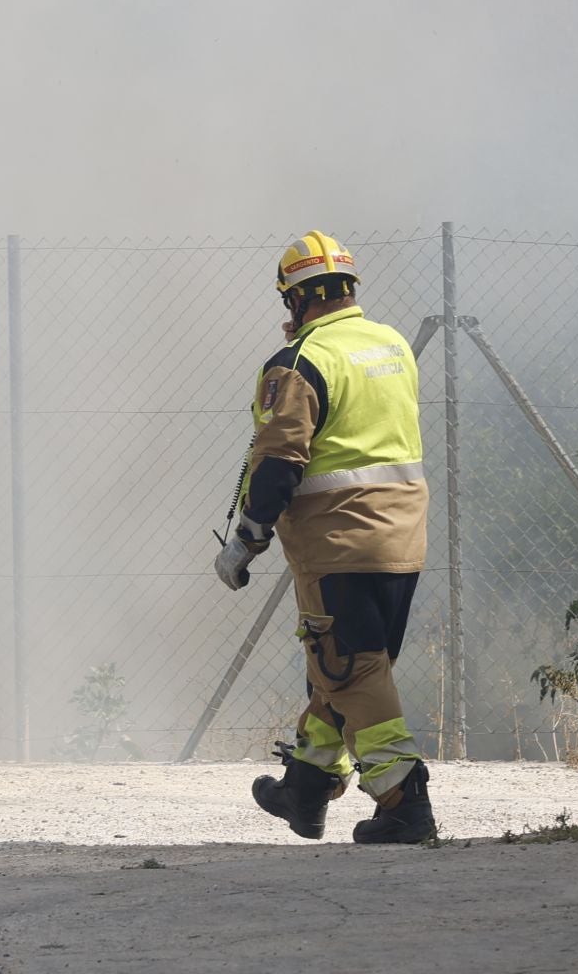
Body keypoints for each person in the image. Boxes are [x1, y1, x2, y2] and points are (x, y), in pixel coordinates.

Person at [211, 232, 435, 844]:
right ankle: (305, 790)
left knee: (351, 670)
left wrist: (246, 541)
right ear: (348, 290)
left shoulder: (299, 363)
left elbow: (279, 461)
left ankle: (404, 803)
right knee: (340, 666)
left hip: (337, 542)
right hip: (404, 537)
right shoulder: (392, 345)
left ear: (295, 299)